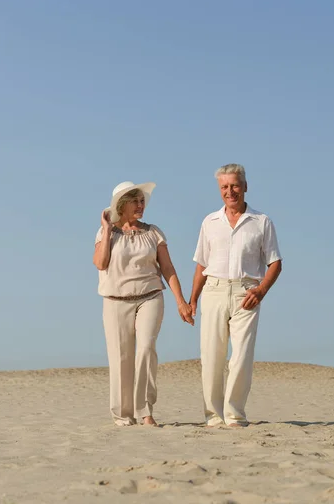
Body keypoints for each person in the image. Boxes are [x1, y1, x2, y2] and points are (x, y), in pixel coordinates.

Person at [94, 180, 193, 427]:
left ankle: (145, 411)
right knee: (120, 357)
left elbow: (168, 268)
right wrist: (107, 229)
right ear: (122, 204)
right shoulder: (107, 233)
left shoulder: (153, 232)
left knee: (146, 348)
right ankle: (123, 415)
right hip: (115, 301)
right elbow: (101, 263)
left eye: (142, 201)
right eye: (135, 201)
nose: (141, 205)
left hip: (150, 296)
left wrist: (181, 301)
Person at [190, 164, 282, 427]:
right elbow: (201, 265)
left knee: (241, 355)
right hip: (214, 291)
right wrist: (192, 299)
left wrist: (261, 290)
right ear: (220, 190)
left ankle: (234, 414)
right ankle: (213, 416)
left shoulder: (262, 222)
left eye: (234, 185)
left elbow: (275, 263)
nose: (230, 191)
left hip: (247, 293)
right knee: (211, 355)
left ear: (245, 186)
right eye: (224, 187)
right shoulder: (209, 222)